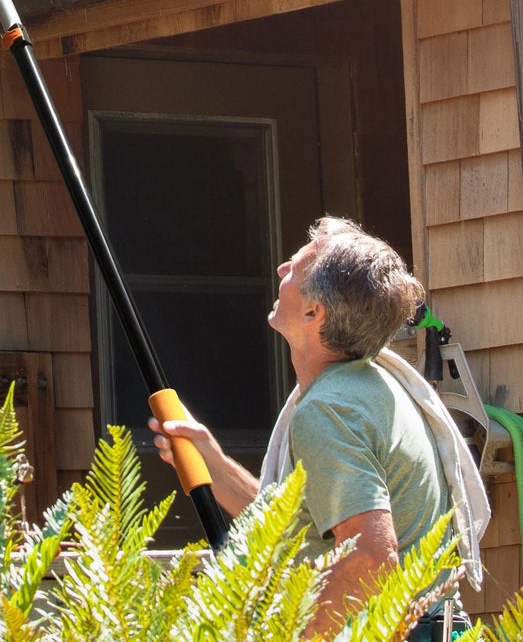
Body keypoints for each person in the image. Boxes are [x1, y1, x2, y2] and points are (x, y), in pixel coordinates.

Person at [151, 217, 486, 639]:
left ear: (314, 311)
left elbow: (369, 560)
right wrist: (215, 466)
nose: (280, 270)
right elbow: (302, 524)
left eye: (295, 268)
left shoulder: (329, 410)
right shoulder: (370, 385)